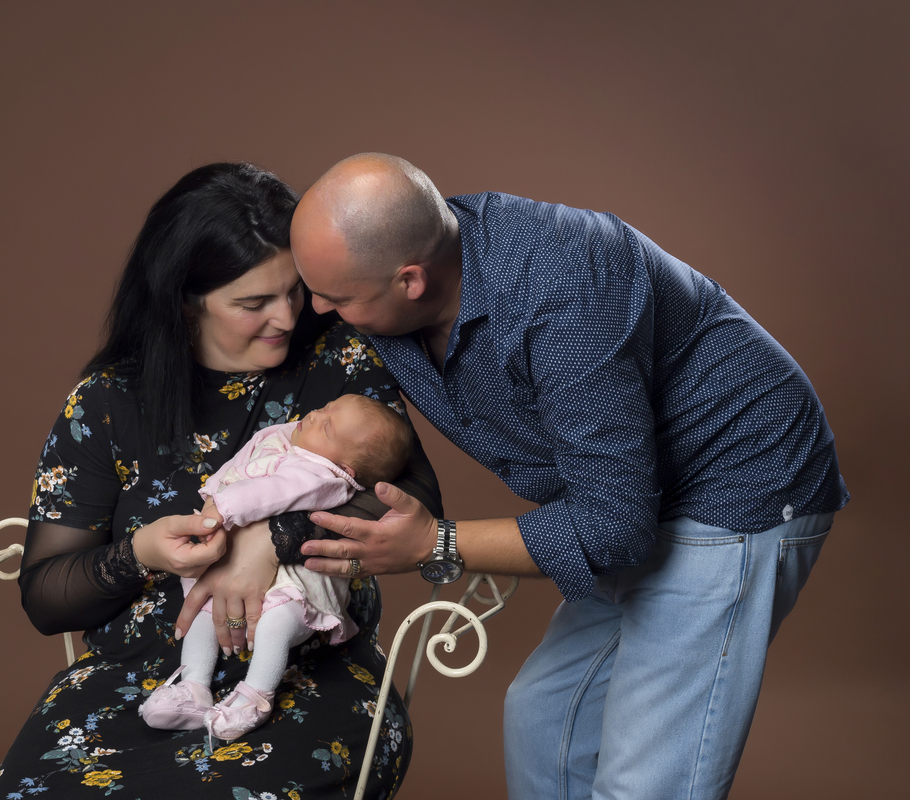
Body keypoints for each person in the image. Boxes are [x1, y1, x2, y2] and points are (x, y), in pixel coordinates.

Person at [288, 153, 848, 800]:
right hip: (629, 488)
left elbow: (612, 527)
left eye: (337, 298)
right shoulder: (379, 265)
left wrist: (435, 544)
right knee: (544, 721)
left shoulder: (562, 292)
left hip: (738, 479)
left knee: (645, 784)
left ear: (410, 280)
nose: (317, 311)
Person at [0, 162, 443, 800]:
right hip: (136, 679)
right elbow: (46, 598)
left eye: (294, 289)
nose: (287, 316)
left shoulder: (338, 364)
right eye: (253, 303)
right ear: (184, 299)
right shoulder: (109, 403)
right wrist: (139, 552)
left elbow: (414, 506)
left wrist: (273, 539)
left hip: (307, 675)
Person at [140, 394, 413, 742]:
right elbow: (239, 463)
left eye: (326, 427)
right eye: (324, 407)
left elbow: (274, 491)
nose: (314, 415)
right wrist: (212, 494)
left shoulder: (323, 474)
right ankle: (192, 687)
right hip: (229, 556)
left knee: (275, 625)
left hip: (294, 581)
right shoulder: (285, 437)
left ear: (346, 468)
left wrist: (222, 508)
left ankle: (256, 696)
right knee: (201, 608)